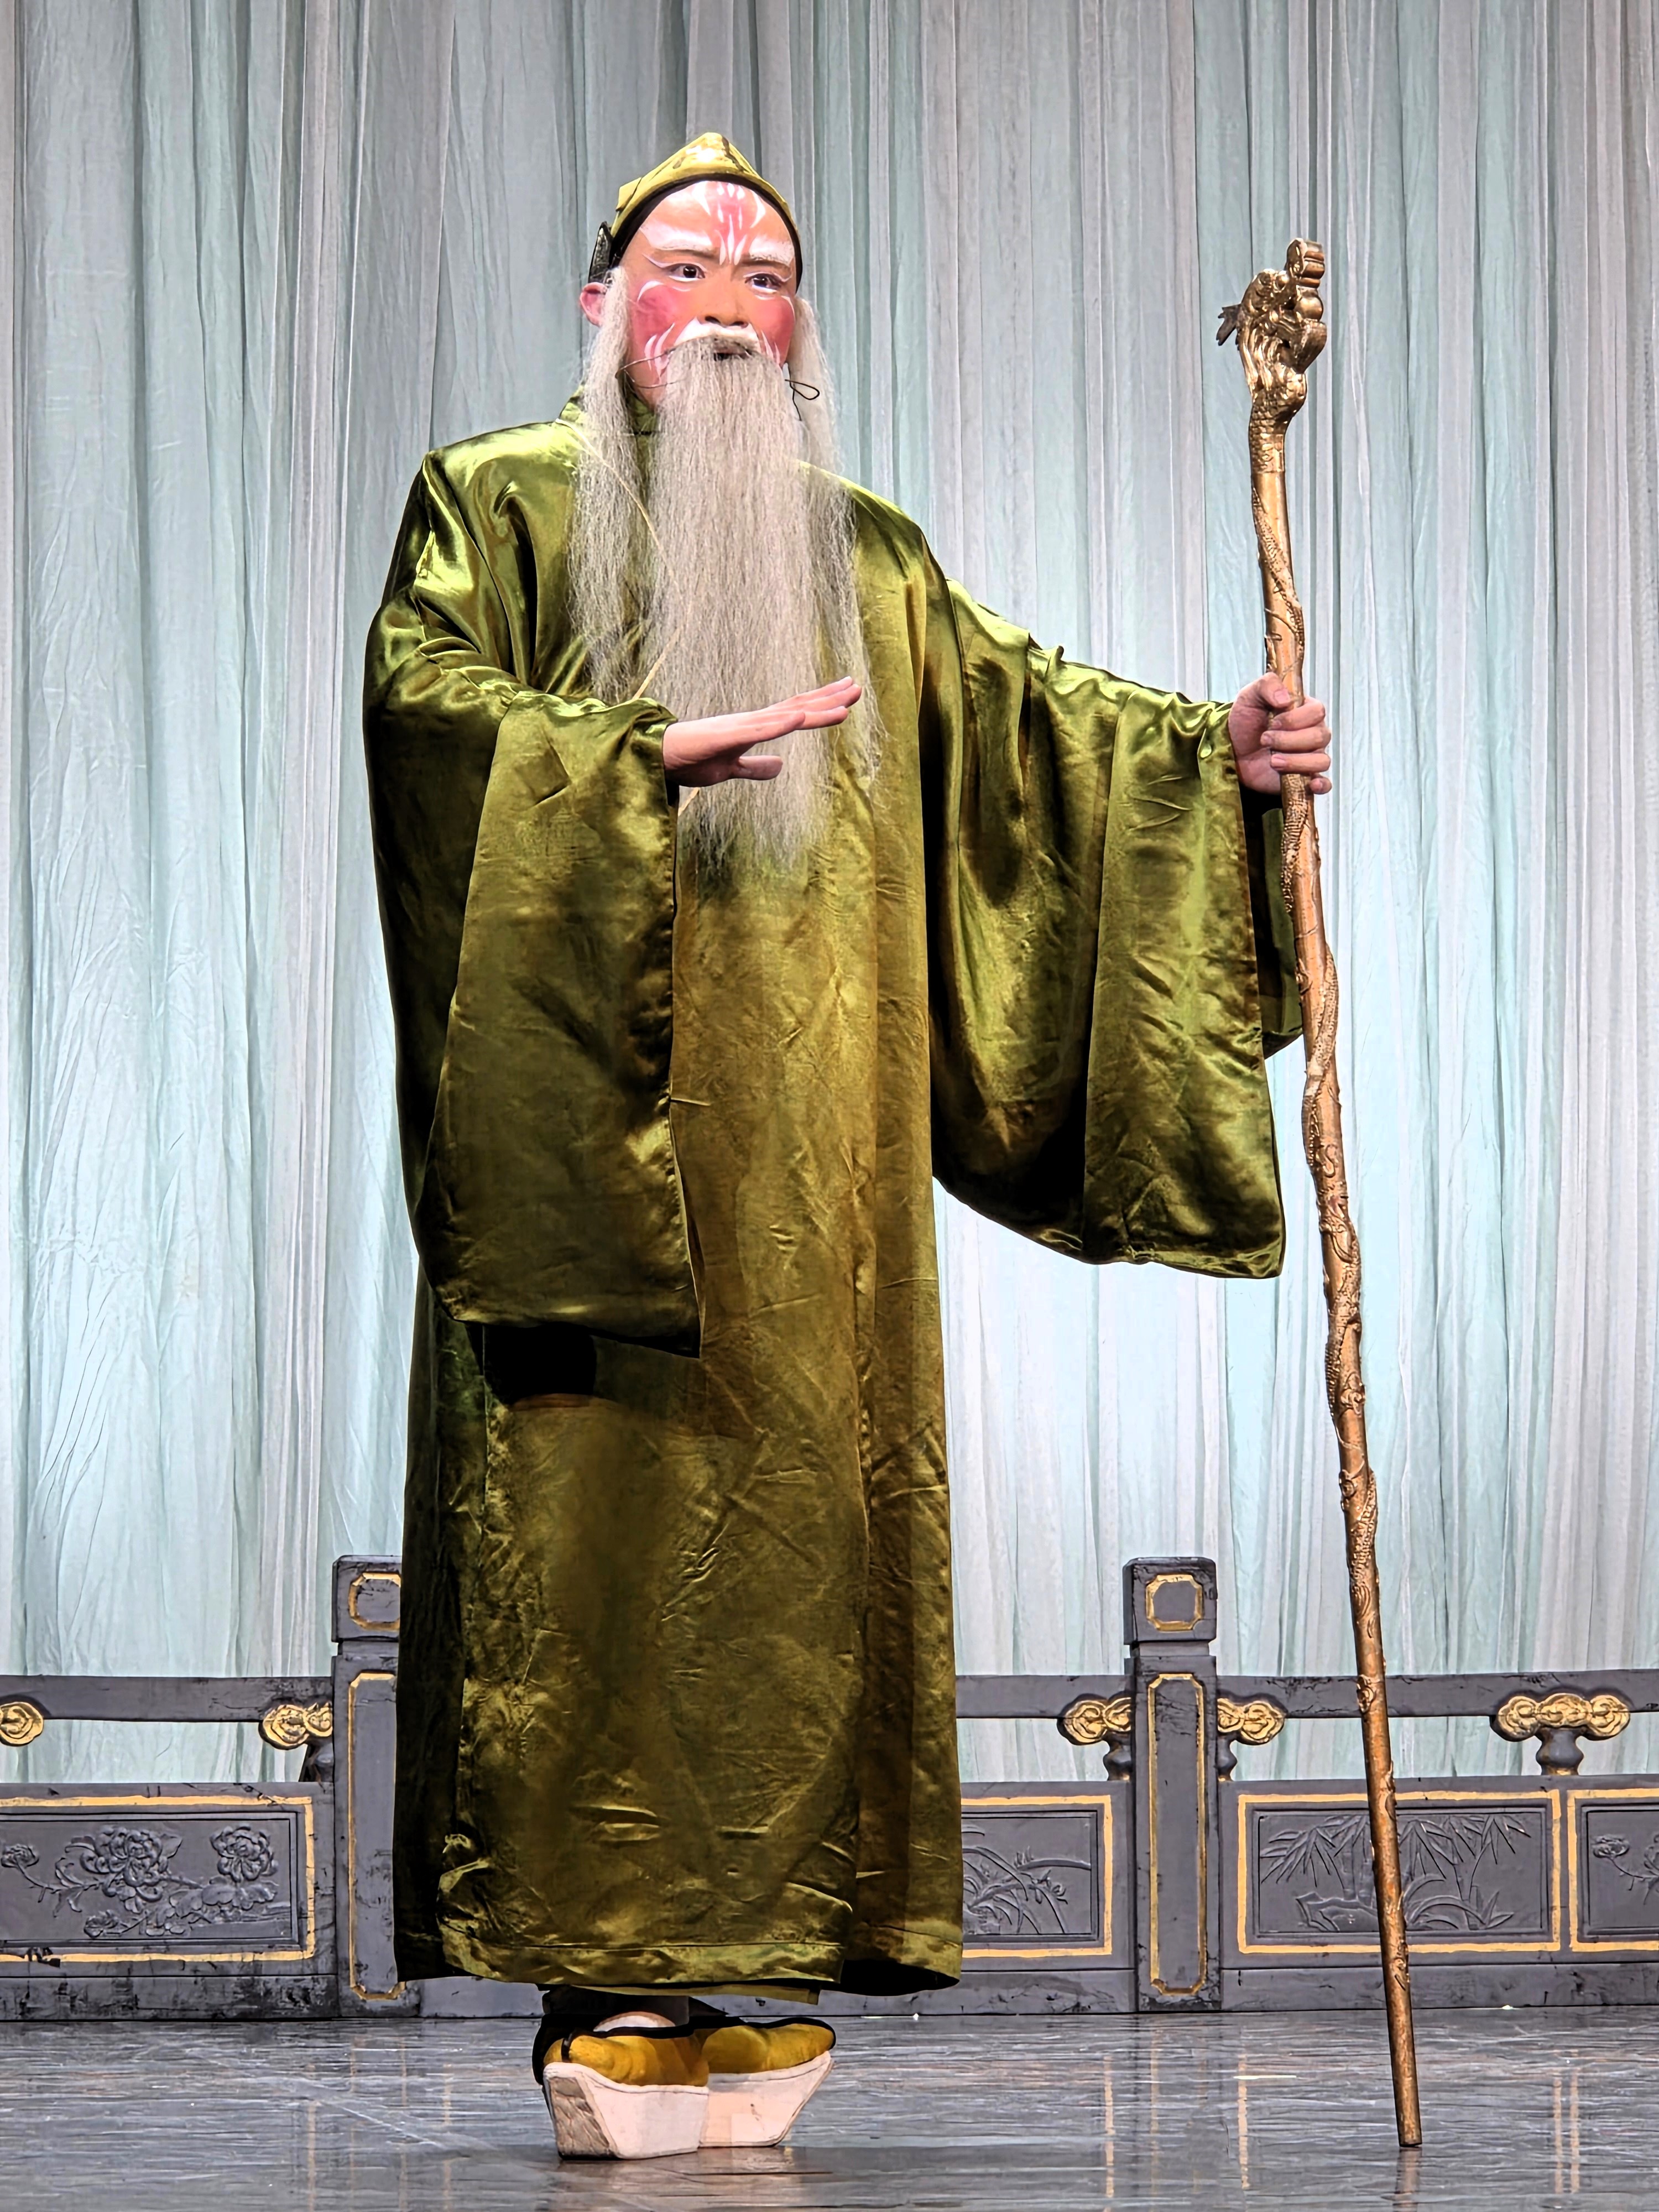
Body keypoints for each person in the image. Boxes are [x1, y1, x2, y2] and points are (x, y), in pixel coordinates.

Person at [363, 133, 1331, 2161]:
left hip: (823, 1172)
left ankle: (765, 1955)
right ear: (600, 306)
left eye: (769, 271)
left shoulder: (870, 558)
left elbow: (1031, 751)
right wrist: (630, 760)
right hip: (591, 1151)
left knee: (804, 1528)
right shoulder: (498, 500)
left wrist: (1212, 763)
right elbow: (427, 708)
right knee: (600, 1525)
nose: (731, 300)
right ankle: (605, 1976)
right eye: (687, 263)